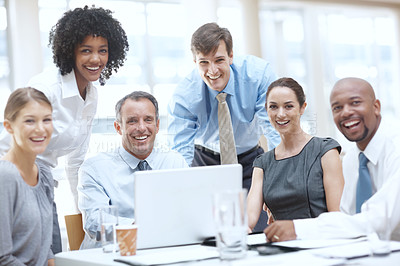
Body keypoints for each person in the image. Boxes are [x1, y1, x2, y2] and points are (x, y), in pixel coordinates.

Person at [0, 6, 129, 253]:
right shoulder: (46, 88)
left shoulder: (91, 95)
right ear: (71, 51)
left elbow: (76, 160)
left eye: (102, 51)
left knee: (52, 255)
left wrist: (84, 213)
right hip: (15, 184)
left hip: (44, 183)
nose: (96, 59)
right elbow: (7, 144)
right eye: (86, 51)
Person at [167, 23, 280, 231]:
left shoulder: (258, 75)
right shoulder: (185, 95)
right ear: (195, 62)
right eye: (203, 63)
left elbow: (274, 128)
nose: (212, 71)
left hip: (250, 160)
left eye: (219, 60)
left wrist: (277, 175)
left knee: (258, 231)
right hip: (204, 162)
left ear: (231, 56)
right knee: (206, 232)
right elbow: (180, 152)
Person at [264, 77, 400, 242]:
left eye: (355, 103)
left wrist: (299, 229)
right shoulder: (352, 158)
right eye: (337, 107)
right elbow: (346, 218)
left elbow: (379, 219)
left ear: (376, 106)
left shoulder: (395, 149)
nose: (346, 112)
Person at [78, 91, 188, 248]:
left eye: (148, 120)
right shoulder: (95, 169)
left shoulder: (175, 163)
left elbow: (187, 211)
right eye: (132, 121)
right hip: (111, 255)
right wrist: (142, 227)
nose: (141, 128)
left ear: (157, 126)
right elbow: (95, 223)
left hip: (162, 251)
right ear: (118, 127)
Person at [247, 77, 344, 232]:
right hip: (282, 247)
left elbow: (337, 217)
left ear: (302, 108)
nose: (280, 114)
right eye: (273, 107)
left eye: (288, 106)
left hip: (322, 243)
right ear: (266, 110)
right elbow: (248, 220)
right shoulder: (262, 164)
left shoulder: (325, 151)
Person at [0, 87, 55, 266]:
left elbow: (45, 248)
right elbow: (3, 258)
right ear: (9, 126)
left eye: (47, 120)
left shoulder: (44, 173)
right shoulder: (5, 177)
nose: (40, 129)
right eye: (30, 121)